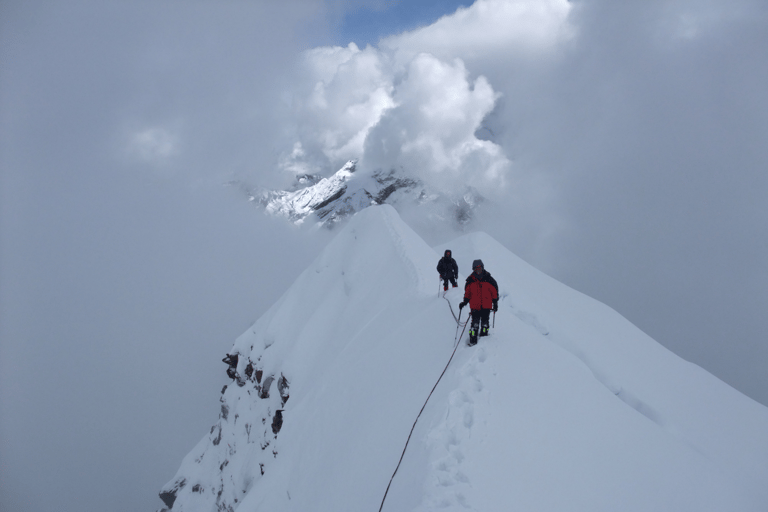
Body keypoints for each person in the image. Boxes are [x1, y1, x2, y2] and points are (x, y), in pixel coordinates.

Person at [459, 259, 498, 346]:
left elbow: (494, 292)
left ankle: (484, 338)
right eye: (476, 268)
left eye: (479, 267)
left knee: (485, 324)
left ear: (482, 267)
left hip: (486, 306)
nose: (478, 270)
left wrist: (495, 303)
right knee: (474, 325)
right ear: (473, 269)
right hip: (475, 307)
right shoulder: (470, 280)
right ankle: (472, 341)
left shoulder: (489, 279)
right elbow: (467, 293)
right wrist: (464, 302)